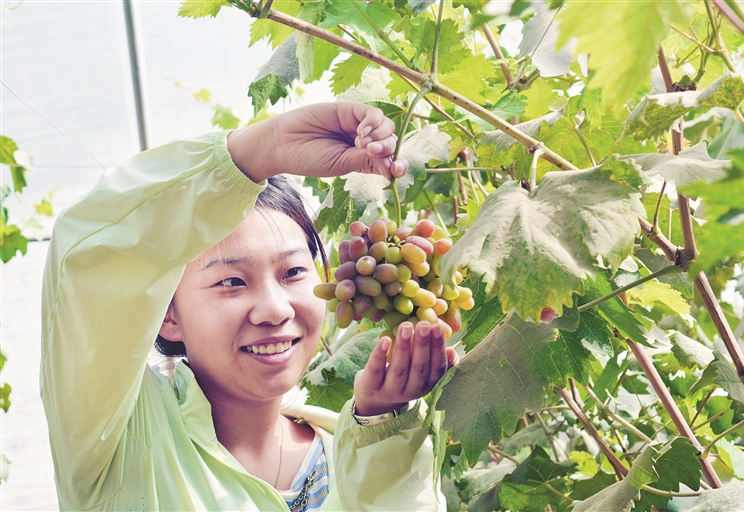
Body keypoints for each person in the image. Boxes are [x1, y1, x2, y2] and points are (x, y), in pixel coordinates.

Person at [41, 102, 458, 511]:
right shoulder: (118, 445)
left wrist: (383, 426)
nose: (275, 310)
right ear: (167, 315)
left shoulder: (356, 445)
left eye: (293, 272)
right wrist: (262, 149)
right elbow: (85, 265)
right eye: (232, 282)